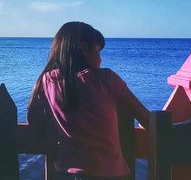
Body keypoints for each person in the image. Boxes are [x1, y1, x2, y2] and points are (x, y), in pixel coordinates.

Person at [27, 22, 149, 180]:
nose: (100, 59)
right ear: (84, 48)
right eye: (98, 51)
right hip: (110, 175)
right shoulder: (107, 79)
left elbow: (34, 120)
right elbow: (147, 120)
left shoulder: (48, 80)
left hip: (65, 174)